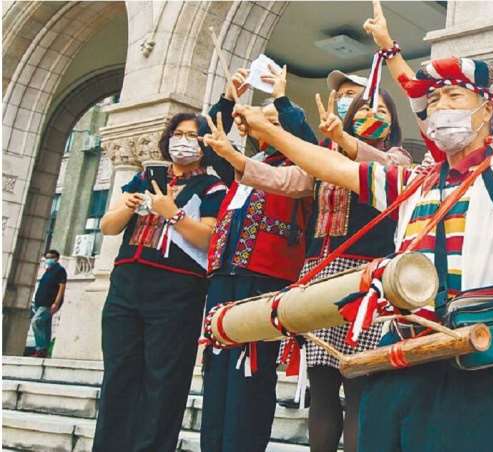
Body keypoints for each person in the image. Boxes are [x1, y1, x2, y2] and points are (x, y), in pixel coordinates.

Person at [228, 2, 493, 449]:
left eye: (455, 97)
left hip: (473, 358)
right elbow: (334, 168)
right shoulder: (413, 182)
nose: (441, 106)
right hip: (399, 352)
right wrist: (272, 133)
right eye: (434, 100)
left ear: (488, 111)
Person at [204, 83, 411, 452]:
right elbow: (284, 179)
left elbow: (378, 169)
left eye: (382, 110)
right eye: (364, 108)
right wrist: (233, 158)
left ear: (394, 122)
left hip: (365, 280)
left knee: (358, 386)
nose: (371, 115)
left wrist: (345, 141)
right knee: (323, 387)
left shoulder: (397, 159)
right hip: (318, 276)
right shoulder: (323, 157)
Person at [92, 111, 228, 452]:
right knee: (119, 375)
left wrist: (173, 213)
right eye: (178, 133)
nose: (183, 141)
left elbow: (209, 238)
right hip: (127, 284)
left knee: (163, 379)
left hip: (176, 290)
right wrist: (130, 205)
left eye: (193, 136)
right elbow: (108, 226)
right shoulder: (144, 178)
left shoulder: (213, 186)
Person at [199, 66, 314, 452]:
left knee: (251, 371)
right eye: (260, 121)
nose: (263, 127)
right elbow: (207, 142)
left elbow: (308, 140)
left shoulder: (303, 169)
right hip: (223, 276)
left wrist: (282, 101)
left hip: (266, 276)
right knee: (216, 367)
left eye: (273, 122)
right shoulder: (239, 168)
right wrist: (229, 99)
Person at [29, 249, 67, 358]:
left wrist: (56, 302)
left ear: (56, 258)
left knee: (36, 322)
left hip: (49, 303)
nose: (48, 259)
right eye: (47, 257)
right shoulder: (47, 271)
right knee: (46, 326)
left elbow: (62, 287)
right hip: (40, 303)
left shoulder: (60, 270)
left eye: (51, 257)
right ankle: (44, 351)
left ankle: (41, 348)